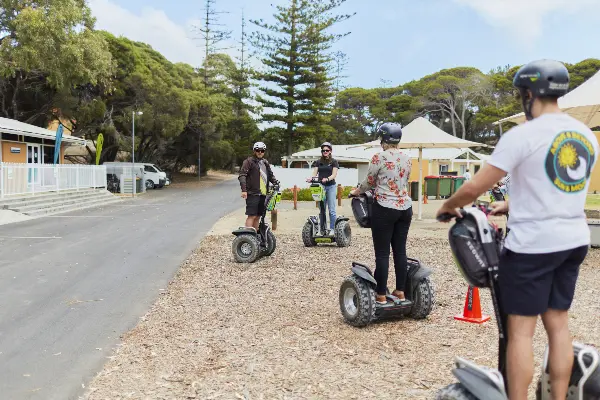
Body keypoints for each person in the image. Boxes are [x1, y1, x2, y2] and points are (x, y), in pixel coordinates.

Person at [436, 59, 599, 400]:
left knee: (521, 331)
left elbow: (474, 187)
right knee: (558, 325)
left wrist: (448, 206)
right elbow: (557, 185)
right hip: (573, 241)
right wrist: (509, 205)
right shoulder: (584, 135)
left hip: (534, 246)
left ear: (528, 93)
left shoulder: (523, 135)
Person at [350, 123, 413, 305]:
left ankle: (381, 295)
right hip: (405, 208)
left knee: (383, 253)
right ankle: (400, 291)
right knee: (400, 251)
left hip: (385, 207)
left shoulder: (379, 157)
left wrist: (356, 192)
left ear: (383, 139)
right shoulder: (407, 158)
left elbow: (369, 181)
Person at [238, 142, 279, 230]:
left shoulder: (265, 162)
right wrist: (244, 190)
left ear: (264, 151)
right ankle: (248, 236)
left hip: (263, 194)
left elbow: (270, 175)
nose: (260, 152)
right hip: (252, 193)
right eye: (258, 150)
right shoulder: (248, 161)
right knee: (252, 216)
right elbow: (242, 175)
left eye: (262, 150)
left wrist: (276, 183)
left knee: (258, 216)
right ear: (254, 151)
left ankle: (255, 237)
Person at [306, 142, 339, 233]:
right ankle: (322, 229)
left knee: (331, 209)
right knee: (322, 209)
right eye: (323, 150)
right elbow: (314, 173)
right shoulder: (318, 162)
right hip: (321, 187)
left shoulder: (334, 162)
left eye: (327, 150)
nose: (325, 152)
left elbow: (334, 175)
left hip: (331, 186)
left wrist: (327, 179)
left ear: (330, 151)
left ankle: (332, 229)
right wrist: (311, 179)